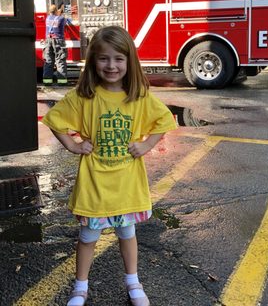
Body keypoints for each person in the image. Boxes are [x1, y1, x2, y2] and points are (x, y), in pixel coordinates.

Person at [42, 26, 177, 306]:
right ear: (93, 61)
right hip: (95, 185)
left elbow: (164, 120)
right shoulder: (84, 97)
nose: (111, 65)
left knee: (127, 234)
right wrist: (73, 145)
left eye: (119, 58)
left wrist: (147, 145)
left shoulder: (137, 97)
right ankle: (80, 287)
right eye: (104, 58)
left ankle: (133, 281)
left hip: (127, 185)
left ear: (130, 61)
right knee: (88, 237)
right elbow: (55, 119)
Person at [43, 4, 68, 85]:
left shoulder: (47, 18)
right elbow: (65, 22)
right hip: (58, 40)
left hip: (48, 40)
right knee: (60, 59)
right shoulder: (61, 18)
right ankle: (62, 82)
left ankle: (47, 82)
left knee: (48, 60)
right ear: (56, 10)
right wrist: (61, 13)